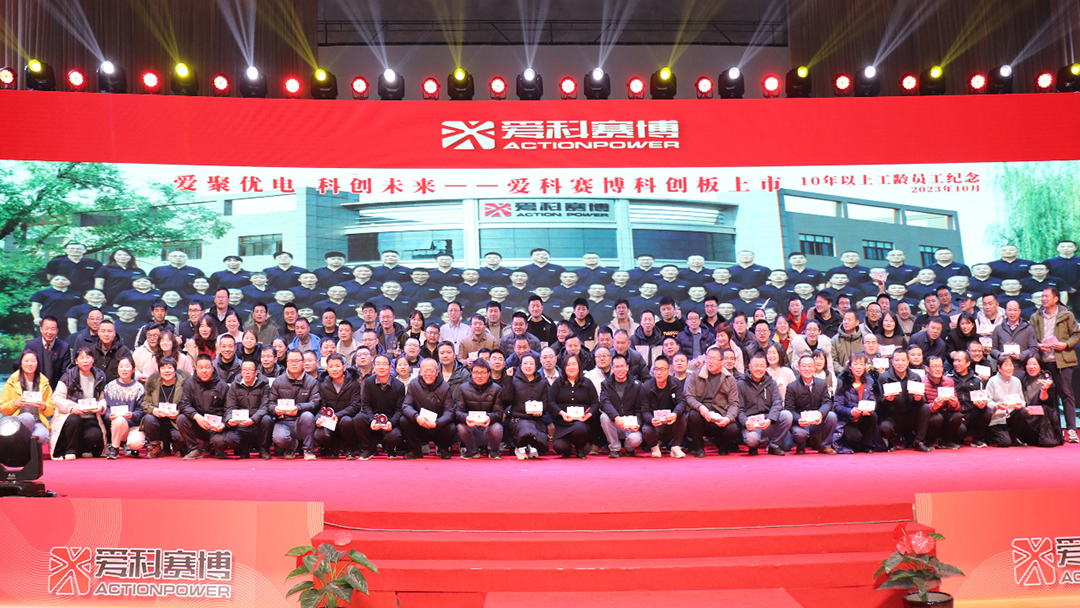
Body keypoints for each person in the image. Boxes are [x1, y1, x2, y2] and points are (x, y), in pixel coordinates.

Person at [1028, 287, 1080, 443]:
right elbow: (1031, 338)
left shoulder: (1066, 314)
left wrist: (1065, 344)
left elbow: (1076, 334)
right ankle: (1056, 429)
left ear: (1056, 299)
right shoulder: (1035, 316)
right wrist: (1038, 346)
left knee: (1066, 393)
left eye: (1046, 296)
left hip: (1062, 360)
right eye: (1042, 296)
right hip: (1044, 362)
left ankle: (1071, 429)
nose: (1043, 299)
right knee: (1049, 396)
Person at [51, 347, 107, 459]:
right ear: (76, 361)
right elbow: (57, 398)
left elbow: (102, 398)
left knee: (95, 435)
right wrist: (72, 408)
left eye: (88, 357)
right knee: (74, 420)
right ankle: (70, 450)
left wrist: (101, 407)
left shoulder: (99, 376)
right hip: (70, 415)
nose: (85, 361)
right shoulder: (67, 376)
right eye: (81, 358)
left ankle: (85, 449)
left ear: (93, 359)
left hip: (90, 416)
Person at [266, 349, 321, 460]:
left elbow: (315, 403)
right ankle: (291, 446)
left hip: (302, 421)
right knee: (278, 438)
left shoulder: (312, 382)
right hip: (283, 421)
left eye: (297, 361)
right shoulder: (278, 381)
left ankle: (308, 450)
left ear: (303, 362)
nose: (294, 364)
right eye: (290, 361)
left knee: (308, 416)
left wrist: (299, 408)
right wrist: (275, 409)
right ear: (286, 363)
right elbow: (270, 403)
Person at [400, 358, 457, 459]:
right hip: (420, 424)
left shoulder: (445, 387)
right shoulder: (414, 384)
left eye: (432, 371)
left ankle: (443, 449)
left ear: (437, 372)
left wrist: (437, 423)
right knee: (403, 420)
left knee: (451, 427)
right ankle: (415, 450)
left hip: (437, 426)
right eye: (425, 371)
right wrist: (417, 417)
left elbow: (449, 411)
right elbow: (406, 406)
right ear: (420, 372)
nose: (428, 374)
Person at [542, 354, 596, 459]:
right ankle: (569, 448)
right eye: (568, 365)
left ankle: (580, 449)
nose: (571, 367)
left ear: (579, 366)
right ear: (564, 367)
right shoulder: (558, 382)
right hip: (563, 423)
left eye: (574, 364)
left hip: (581, 422)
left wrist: (589, 414)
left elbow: (595, 403)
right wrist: (561, 413)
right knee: (559, 447)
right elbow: (550, 401)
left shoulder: (587, 382)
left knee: (579, 429)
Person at [175, 355, 228, 460]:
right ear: (196, 368)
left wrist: (223, 424)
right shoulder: (189, 383)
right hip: (199, 424)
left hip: (216, 427)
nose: (204, 371)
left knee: (219, 443)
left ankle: (217, 448)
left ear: (212, 368)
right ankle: (194, 449)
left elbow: (229, 409)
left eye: (207, 367)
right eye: (200, 367)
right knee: (181, 418)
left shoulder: (222, 385)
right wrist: (196, 416)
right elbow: (183, 404)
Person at [877, 350, 932, 452]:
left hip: (910, 415)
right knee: (884, 427)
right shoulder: (884, 378)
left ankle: (919, 442)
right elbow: (879, 405)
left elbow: (923, 400)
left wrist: (918, 399)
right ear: (892, 362)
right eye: (897, 360)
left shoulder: (915, 377)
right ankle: (892, 441)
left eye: (903, 360)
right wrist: (888, 401)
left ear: (908, 362)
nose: (900, 363)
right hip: (892, 416)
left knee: (925, 408)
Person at [784, 355, 839, 454]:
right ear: (798, 368)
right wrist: (799, 419)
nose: (807, 369)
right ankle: (801, 447)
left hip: (817, 422)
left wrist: (820, 413)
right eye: (804, 366)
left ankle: (825, 446)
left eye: (810, 366)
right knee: (800, 434)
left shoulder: (822, 383)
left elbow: (827, 402)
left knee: (832, 416)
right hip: (800, 423)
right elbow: (789, 409)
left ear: (814, 368)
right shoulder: (792, 387)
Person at [356, 354, 407, 460]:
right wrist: (372, 420)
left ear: (390, 367)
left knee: (394, 436)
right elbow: (366, 404)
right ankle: (368, 449)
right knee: (359, 418)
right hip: (373, 420)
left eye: (384, 364)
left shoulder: (399, 386)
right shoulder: (369, 382)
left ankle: (391, 450)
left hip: (390, 421)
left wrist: (391, 423)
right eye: (378, 364)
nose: (381, 367)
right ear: (374, 367)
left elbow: (399, 410)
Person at [1, 350, 55, 446]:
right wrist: (14, 403)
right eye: (26, 361)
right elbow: (2, 409)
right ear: (21, 364)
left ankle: (23, 448)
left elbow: (51, 411)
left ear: (37, 364)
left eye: (33, 361)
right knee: (28, 417)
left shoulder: (44, 384)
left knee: (42, 436)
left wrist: (44, 407)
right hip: (16, 420)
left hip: (37, 421)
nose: (30, 364)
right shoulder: (12, 383)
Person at [637, 355, 688, 459]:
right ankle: (654, 447)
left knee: (681, 416)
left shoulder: (675, 383)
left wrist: (674, 414)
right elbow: (644, 410)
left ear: (669, 371)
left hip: (671, 421)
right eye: (656, 369)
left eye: (662, 369)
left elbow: (682, 402)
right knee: (646, 430)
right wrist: (651, 419)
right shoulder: (646, 387)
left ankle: (675, 447)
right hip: (655, 423)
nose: (659, 373)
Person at [313, 354, 362, 459]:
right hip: (329, 420)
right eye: (331, 366)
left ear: (344, 367)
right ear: (327, 369)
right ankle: (331, 448)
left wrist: (338, 415)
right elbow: (321, 406)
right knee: (319, 435)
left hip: (348, 419)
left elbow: (355, 405)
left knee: (346, 421)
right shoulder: (322, 384)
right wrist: (318, 419)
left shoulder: (354, 383)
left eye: (337, 366)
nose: (334, 369)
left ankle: (349, 449)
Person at [455, 358, 505, 459]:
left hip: (488, 427)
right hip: (471, 427)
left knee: (497, 428)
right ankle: (472, 451)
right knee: (460, 427)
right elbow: (458, 411)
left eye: (483, 373)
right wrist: (466, 418)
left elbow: (499, 413)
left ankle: (493, 451)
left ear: (489, 374)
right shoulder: (463, 388)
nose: (479, 376)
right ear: (471, 373)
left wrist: (489, 418)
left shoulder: (496, 389)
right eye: (476, 372)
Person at [140, 357, 189, 458]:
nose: (166, 371)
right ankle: (156, 447)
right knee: (149, 419)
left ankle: (178, 447)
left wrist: (179, 412)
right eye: (163, 368)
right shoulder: (153, 384)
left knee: (178, 431)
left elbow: (189, 404)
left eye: (170, 368)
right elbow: (145, 403)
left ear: (175, 370)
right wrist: (153, 410)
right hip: (159, 422)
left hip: (175, 423)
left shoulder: (185, 385)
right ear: (159, 371)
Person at [504, 354, 549, 460]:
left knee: (543, 443)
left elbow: (546, 403)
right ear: (520, 366)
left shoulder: (542, 382)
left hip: (536, 419)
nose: (528, 366)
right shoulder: (513, 380)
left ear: (536, 366)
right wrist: (508, 379)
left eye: (531, 364)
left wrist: (541, 411)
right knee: (526, 430)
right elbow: (506, 398)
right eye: (525, 363)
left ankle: (532, 445)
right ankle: (520, 447)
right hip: (519, 419)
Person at [222, 360, 269, 459]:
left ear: (256, 372)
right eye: (244, 370)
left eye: (250, 370)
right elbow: (230, 407)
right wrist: (229, 419)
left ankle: (263, 449)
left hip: (257, 423)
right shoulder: (235, 385)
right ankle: (244, 448)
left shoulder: (263, 384)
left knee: (267, 420)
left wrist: (253, 419)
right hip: (241, 424)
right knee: (230, 438)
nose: (247, 372)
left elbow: (265, 406)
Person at [598, 354, 644, 458]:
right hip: (615, 424)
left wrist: (638, 424)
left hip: (630, 425)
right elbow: (604, 403)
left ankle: (629, 448)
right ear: (612, 369)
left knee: (635, 440)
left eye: (622, 366)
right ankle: (615, 448)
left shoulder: (636, 385)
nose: (620, 369)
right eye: (617, 367)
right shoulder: (606, 384)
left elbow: (639, 408)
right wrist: (616, 417)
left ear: (627, 368)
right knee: (604, 416)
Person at [832, 353, 879, 453]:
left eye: (861, 364)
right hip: (847, 420)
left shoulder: (869, 381)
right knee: (855, 438)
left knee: (873, 416)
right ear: (850, 366)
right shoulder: (842, 381)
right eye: (855, 364)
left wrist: (869, 409)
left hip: (862, 418)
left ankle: (866, 445)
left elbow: (872, 400)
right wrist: (850, 411)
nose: (858, 367)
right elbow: (837, 406)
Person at [101, 355, 145, 459]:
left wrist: (132, 415)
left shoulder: (139, 388)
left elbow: (141, 411)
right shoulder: (110, 387)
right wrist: (108, 415)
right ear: (117, 369)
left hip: (134, 426)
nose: (124, 369)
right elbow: (107, 409)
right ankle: (115, 448)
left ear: (133, 369)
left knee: (136, 443)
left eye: (127, 366)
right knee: (119, 420)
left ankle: (132, 447)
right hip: (118, 425)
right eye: (121, 366)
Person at [1019, 355, 1064, 447]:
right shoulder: (1021, 379)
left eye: (1035, 364)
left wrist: (1044, 389)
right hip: (1026, 410)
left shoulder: (1047, 379)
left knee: (1046, 410)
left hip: (1042, 412)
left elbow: (1047, 402)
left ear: (1040, 366)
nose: (1031, 367)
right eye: (1029, 364)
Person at [984, 354, 1028, 447]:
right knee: (1005, 443)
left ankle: (1014, 437)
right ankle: (990, 435)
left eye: (1011, 365)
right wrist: (997, 405)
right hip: (997, 418)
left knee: (1023, 411)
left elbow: (1022, 400)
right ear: (999, 368)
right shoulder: (992, 381)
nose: (1009, 368)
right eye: (1006, 365)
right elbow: (987, 401)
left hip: (1011, 416)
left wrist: (1020, 405)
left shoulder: (1016, 381)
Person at [950, 350, 990, 448]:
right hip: (955, 414)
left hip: (971, 414)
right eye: (954, 361)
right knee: (961, 431)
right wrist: (957, 415)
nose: (956, 364)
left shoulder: (977, 379)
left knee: (987, 411)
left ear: (968, 363)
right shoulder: (949, 378)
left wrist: (982, 404)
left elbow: (982, 398)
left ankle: (977, 439)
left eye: (959, 361)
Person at [923, 356, 963, 449]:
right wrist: (933, 406)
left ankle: (946, 441)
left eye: (940, 366)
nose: (938, 369)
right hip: (930, 416)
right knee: (937, 418)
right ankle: (929, 442)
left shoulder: (949, 381)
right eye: (934, 366)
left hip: (944, 413)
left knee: (957, 416)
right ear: (927, 368)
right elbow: (920, 409)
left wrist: (954, 404)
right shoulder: (922, 382)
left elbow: (958, 407)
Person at [24, 315, 70, 389]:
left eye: (53, 329)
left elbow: (65, 372)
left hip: (55, 389)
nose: (49, 332)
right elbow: (21, 364)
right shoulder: (31, 345)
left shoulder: (64, 347)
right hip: (34, 388)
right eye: (46, 328)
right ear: (41, 329)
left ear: (57, 330)